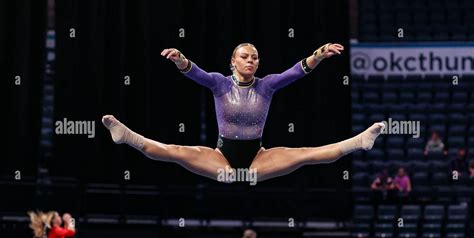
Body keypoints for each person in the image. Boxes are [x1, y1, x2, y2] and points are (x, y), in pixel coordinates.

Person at [102, 43, 383, 184]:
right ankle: (125, 135)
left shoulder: (268, 85)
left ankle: (359, 142)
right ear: (232, 62)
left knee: (306, 154)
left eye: (255, 57)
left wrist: (320, 53)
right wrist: (180, 59)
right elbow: (195, 72)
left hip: (257, 160)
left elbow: (296, 71)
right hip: (221, 158)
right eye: (244, 57)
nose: (251, 60)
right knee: (173, 150)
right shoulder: (219, 83)